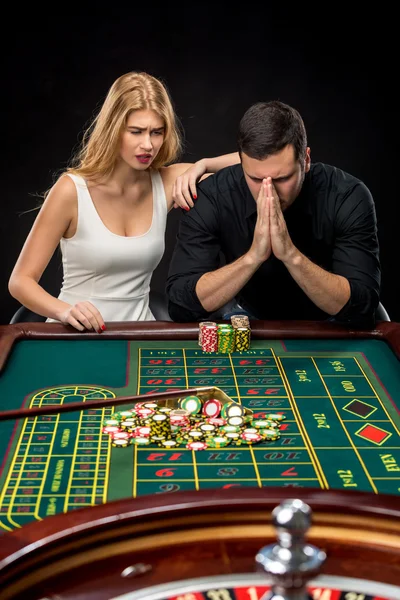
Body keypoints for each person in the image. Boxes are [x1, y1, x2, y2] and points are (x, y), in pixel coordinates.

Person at [8, 71, 240, 331]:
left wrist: (203, 165)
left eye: (156, 132)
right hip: (75, 333)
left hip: (139, 336)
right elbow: (20, 281)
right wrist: (65, 311)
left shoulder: (165, 181)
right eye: (136, 131)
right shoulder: (71, 190)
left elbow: (254, 163)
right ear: (113, 130)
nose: (148, 145)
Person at [166, 101, 381, 326]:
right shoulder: (214, 196)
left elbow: (362, 307)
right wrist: (253, 257)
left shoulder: (347, 196)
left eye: (282, 179)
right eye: (256, 179)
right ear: (241, 163)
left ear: (306, 160)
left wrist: (289, 254)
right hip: (246, 317)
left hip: (329, 322)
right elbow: (181, 305)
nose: (269, 191)